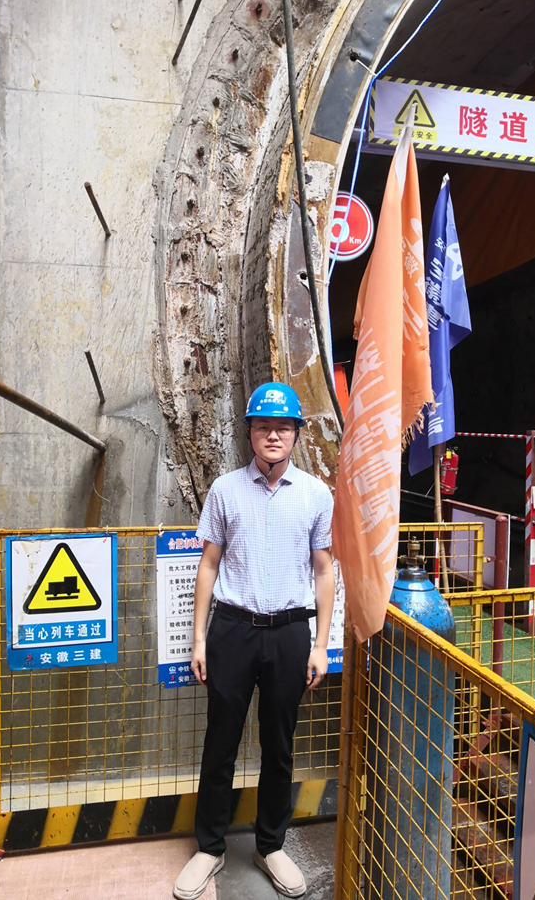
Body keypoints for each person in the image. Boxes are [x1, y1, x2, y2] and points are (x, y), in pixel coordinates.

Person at [173, 382, 335, 900]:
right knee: (220, 742)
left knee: (279, 745)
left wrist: (320, 644)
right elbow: (208, 565)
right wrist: (199, 640)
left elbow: (325, 570)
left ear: (296, 435)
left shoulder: (316, 495)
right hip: (233, 631)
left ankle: (271, 846)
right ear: (250, 432)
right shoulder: (225, 490)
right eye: (263, 426)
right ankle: (210, 848)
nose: (273, 435)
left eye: (283, 427)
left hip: (289, 633)